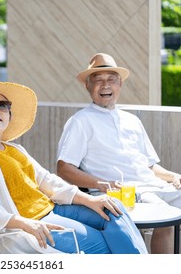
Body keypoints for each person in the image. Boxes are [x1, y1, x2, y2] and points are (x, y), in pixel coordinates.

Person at [0, 81, 148, 254]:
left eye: (3, 105)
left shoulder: (14, 149)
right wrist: (25, 224)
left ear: (9, 116)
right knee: (107, 245)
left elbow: (47, 180)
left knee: (113, 207)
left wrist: (90, 199)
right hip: (28, 226)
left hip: (53, 208)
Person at [57, 52, 181, 254]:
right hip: (125, 192)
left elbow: (149, 165)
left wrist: (173, 176)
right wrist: (99, 183)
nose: (105, 85)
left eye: (111, 80)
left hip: (155, 185)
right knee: (164, 216)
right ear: (88, 86)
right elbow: (64, 168)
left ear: (120, 85)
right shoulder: (80, 121)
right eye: (98, 80)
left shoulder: (132, 120)